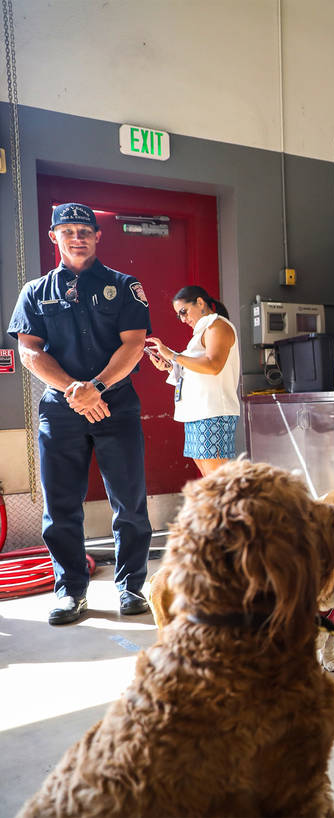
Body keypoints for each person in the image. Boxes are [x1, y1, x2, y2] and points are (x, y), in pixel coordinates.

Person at [7, 203, 154, 624]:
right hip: (62, 409)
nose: (77, 237)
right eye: (68, 230)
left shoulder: (124, 286)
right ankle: (70, 592)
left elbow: (133, 344)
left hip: (116, 406)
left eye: (85, 230)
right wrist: (74, 390)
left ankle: (131, 587)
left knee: (129, 503)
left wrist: (97, 388)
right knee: (61, 505)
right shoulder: (35, 292)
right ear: (54, 237)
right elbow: (29, 350)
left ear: (97, 236)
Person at [145, 286, 241, 476]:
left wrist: (173, 355)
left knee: (218, 482)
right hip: (197, 413)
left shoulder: (217, 326)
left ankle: (238, 507)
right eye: (178, 315)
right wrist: (170, 366)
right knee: (211, 481)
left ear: (200, 302)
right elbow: (198, 371)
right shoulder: (202, 331)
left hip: (213, 412)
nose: (182, 319)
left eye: (184, 311)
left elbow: (214, 366)